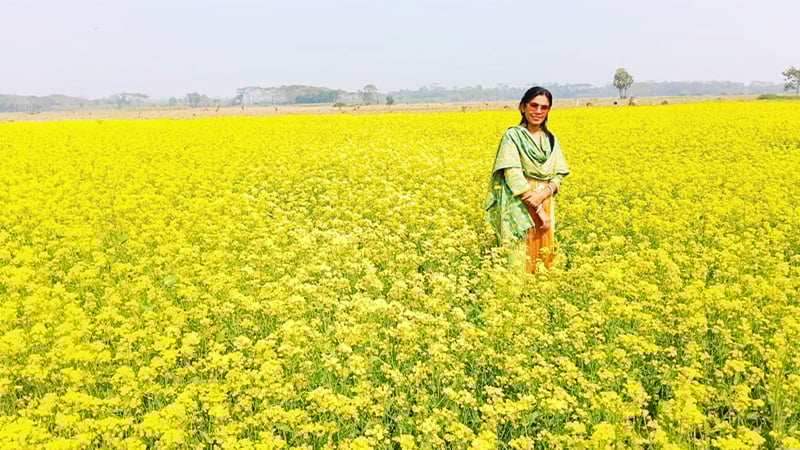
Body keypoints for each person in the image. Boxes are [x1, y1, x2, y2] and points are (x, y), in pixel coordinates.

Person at [484, 87, 569, 273]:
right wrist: (538, 208)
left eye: (544, 107)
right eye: (534, 105)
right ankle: (517, 294)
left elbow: (559, 174)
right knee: (521, 249)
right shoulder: (512, 136)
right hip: (521, 201)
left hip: (545, 199)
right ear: (522, 107)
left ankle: (540, 290)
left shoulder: (551, 139)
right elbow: (513, 174)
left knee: (543, 249)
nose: (538, 111)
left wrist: (545, 193)